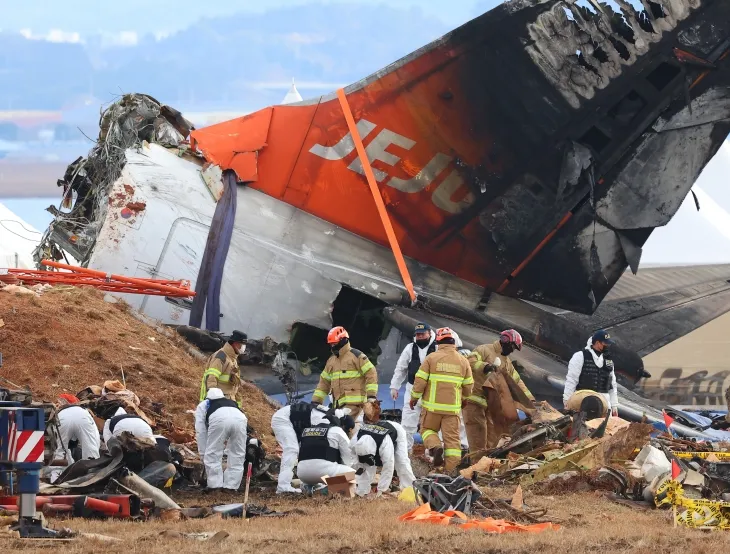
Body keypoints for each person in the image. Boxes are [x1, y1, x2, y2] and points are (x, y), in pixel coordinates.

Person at [410, 327, 473, 473]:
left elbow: (420, 381)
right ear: (454, 342)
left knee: (427, 430)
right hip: (452, 410)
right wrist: (464, 399)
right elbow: (469, 386)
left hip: (432, 409)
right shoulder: (463, 361)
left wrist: (414, 398)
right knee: (452, 442)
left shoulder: (431, 358)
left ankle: (435, 446)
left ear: (438, 341)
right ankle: (450, 472)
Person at [464, 330, 535, 455]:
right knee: (477, 439)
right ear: (505, 340)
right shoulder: (484, 350)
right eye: (512, 346)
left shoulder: (506, 363)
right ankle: (475, 468)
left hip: (491, 406)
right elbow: (469, 362)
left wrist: (532, 401)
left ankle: (487, 466)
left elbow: (517, 382)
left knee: (493, 440)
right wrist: (485, 366)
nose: (512, 350)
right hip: (474, 401)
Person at [270, 402, 346, 494]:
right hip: (283, 420)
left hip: (292, 421)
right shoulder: (323, 419)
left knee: (303, 449)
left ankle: (307, 484)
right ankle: (283, 486)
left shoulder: (327, 416)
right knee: (292, 449)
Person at [312, 326, 378, 421]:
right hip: (338, 406)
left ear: (343, 340)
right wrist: (316, 402)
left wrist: (371, 397)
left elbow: (371, 374)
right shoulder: (331, 361)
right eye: (331, 344)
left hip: (355, 405)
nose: (333, 346)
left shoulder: (357, 356)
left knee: (347, 428)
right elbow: (324, 383)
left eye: (335, 343)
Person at [389, 322, 436, 452]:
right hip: (412, 388)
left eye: (423, 334)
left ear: (429, 333)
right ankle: (405, 451)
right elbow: (401, 368)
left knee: (430, 423)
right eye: (418, 334)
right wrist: (394, 387)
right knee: (407, 422)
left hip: (431, 390)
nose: (420, 336)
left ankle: (431, 452)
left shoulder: (437, 348)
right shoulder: (410, 348)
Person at [352, 403, 416, 496]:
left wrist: (381, 490)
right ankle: (362, 492)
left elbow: (388, 466)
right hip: (375, 442)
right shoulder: (356, 437)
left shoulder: (384, 443)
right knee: (366, 466)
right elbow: (351, 455)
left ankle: (410, 489)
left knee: (402, 462)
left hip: (396, 431)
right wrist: (357, 467)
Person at [194, 387, 248, 492]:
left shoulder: (204, 404)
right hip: (241, 419)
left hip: (219, 419)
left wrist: (203, 453)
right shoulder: (231, 402)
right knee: (237, 454)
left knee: (213, 453)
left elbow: (200, 430)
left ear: (207, 396)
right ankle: (231, 487)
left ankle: (215, 486)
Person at [563, 330, 619, 418]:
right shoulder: (580, 356)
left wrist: (614, 405)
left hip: (604, 403)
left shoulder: (609, 362)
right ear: (597, 343)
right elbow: (571, 380)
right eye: (605, 343)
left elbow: (613, 385)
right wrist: (566, 401)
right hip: (583, 400)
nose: (608, 346)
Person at [296, 415, 357, 488]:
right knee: (355, 475)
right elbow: (348, 460)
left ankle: (308, 486)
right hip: (325, 473)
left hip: (302, 474)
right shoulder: (337, 430)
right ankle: (328, 489)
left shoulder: (306, 430)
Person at [200, 330, 247, 404]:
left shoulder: (232, 358)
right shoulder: (221, 357)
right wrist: (213, 402)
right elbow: (211, 379)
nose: (243, 348)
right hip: (219, 401)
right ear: (235, 344)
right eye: (241, 345)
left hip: (228, 401)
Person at [53, 395, 100, 466]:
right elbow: (96, 438)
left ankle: (58, 474)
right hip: (82, 417)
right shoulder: (84, 411)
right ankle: (93, 471)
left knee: (60, 451)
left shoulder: (59, 412)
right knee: (90, 449)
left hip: (62, 418)